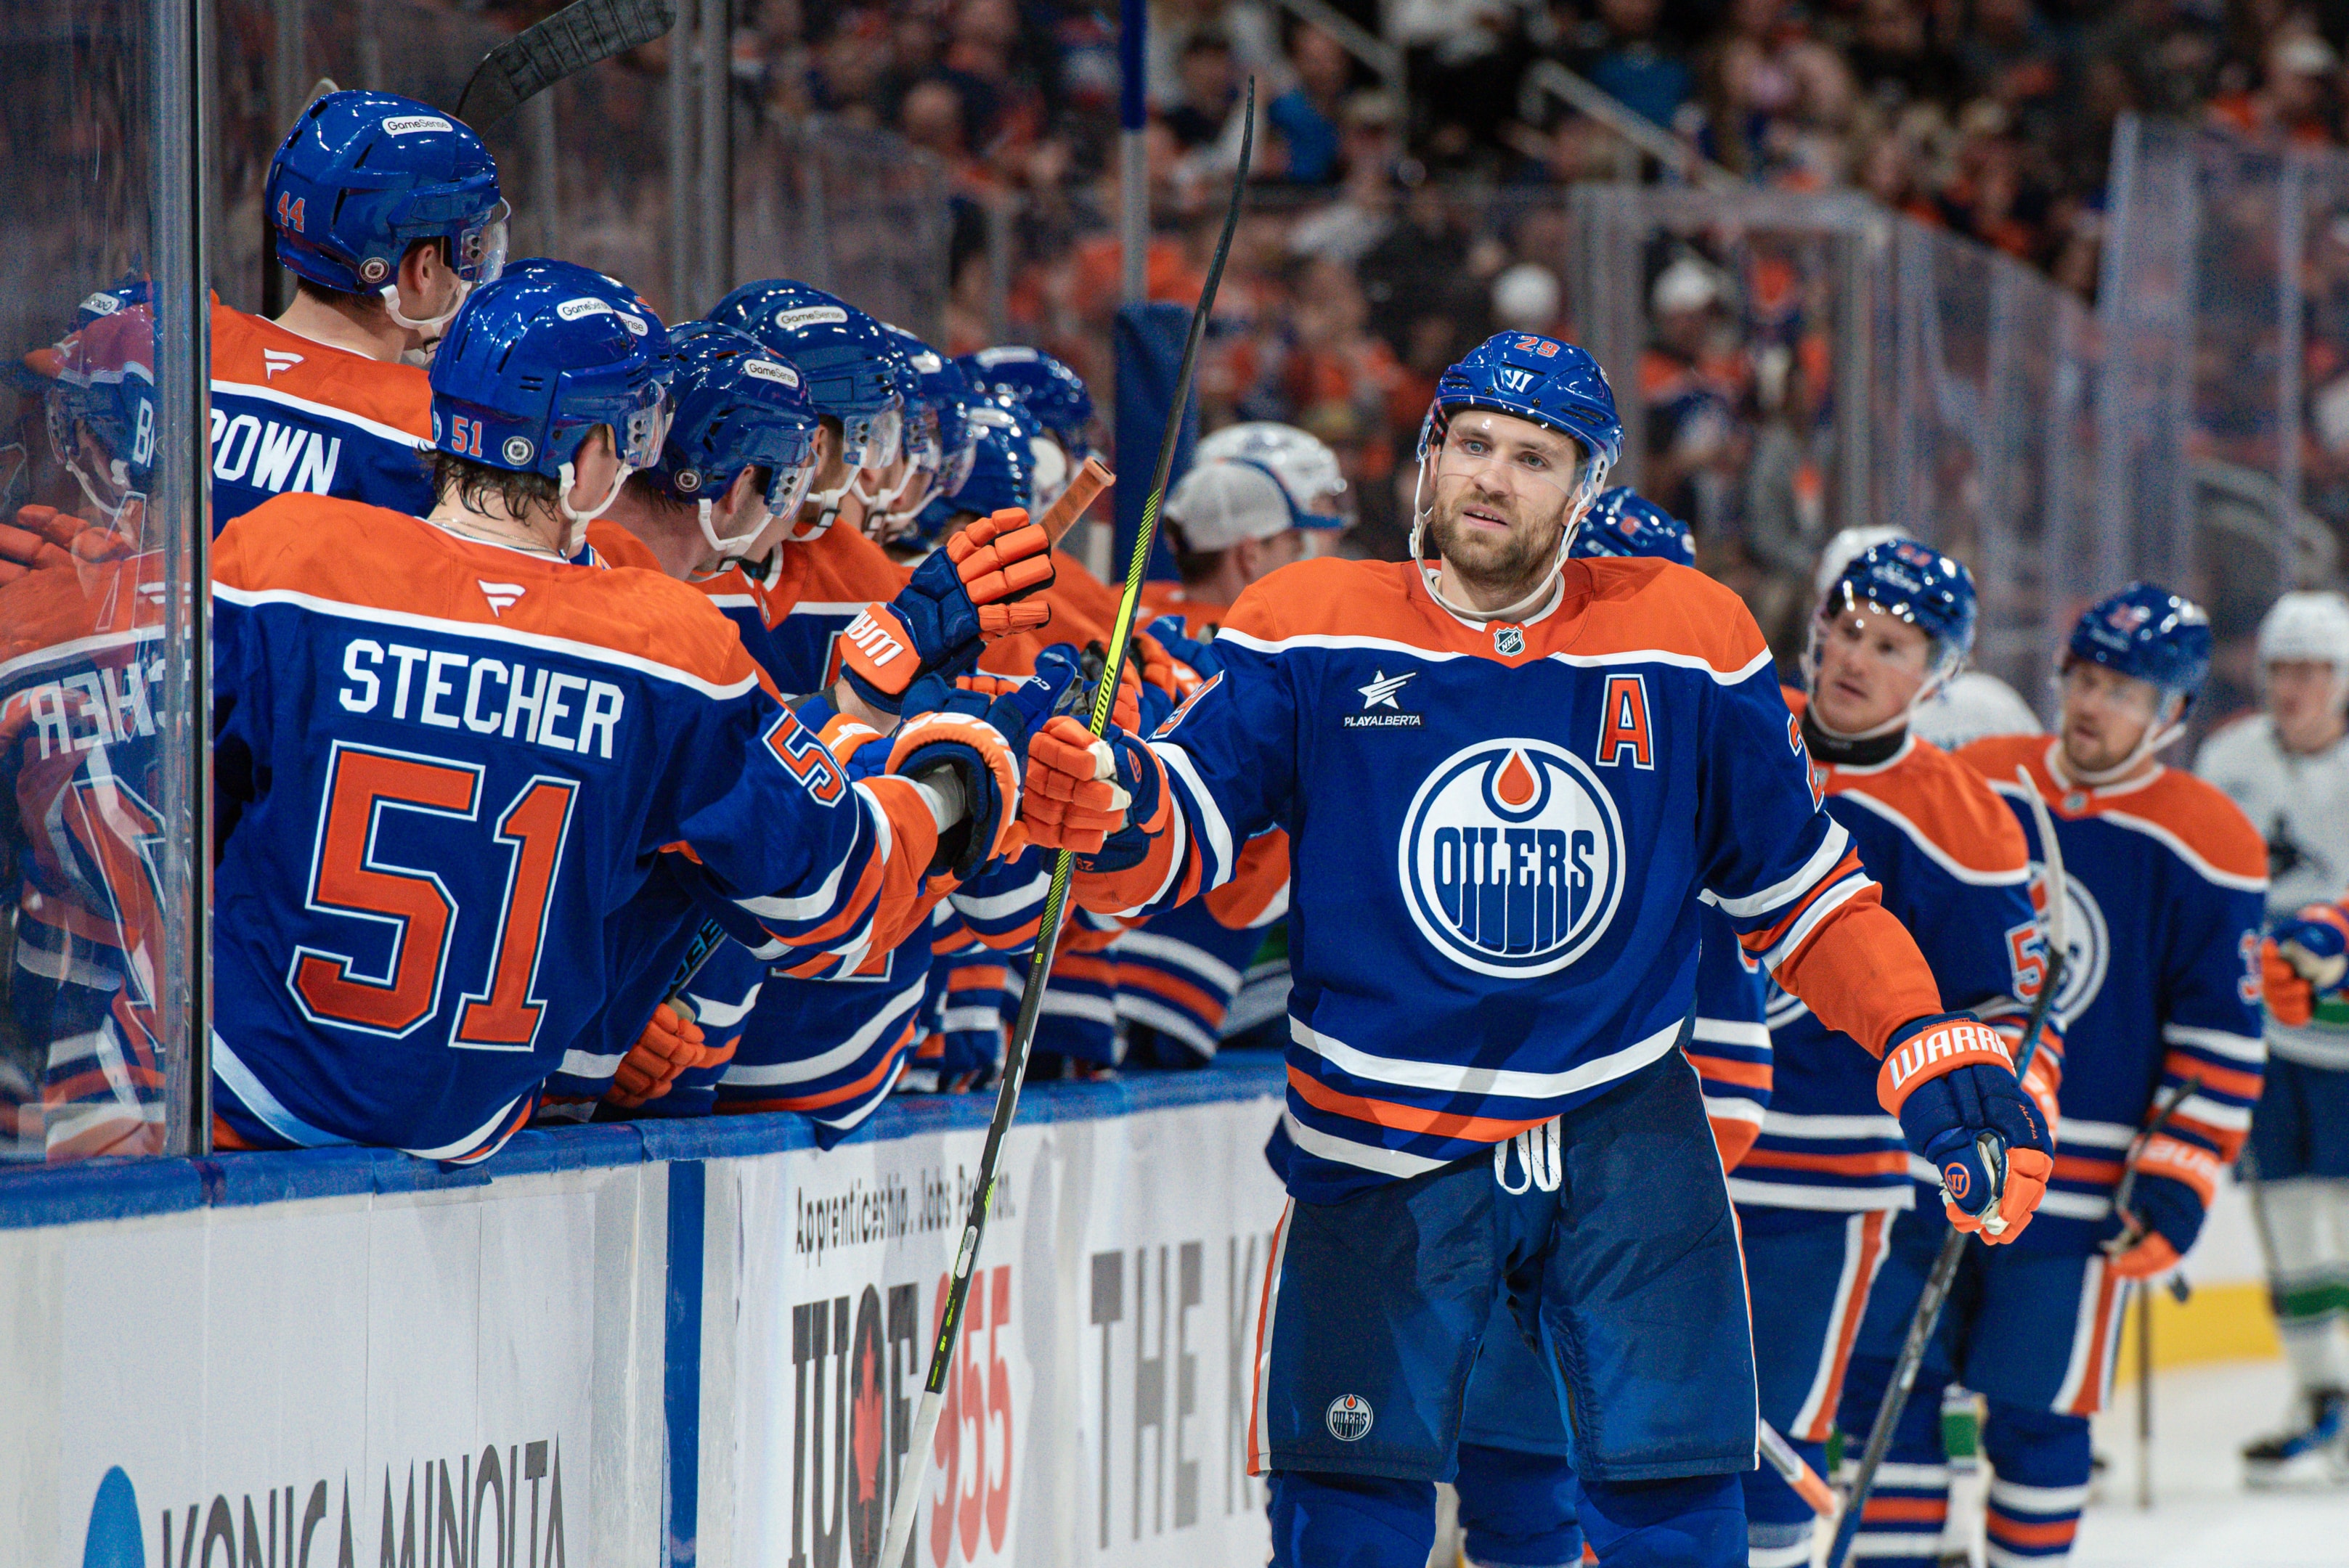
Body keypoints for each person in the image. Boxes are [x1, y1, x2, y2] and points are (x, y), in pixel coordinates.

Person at [1028, 331, 2053, 1566]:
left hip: (1622, 1129)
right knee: (1344, 1517)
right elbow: (1190, 829)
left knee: (1677, 1515)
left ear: (1587, 491)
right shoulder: (1307, 625)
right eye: (1470, 445)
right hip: (1378, 1138)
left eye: (1532, 457)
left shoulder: (1688, 639)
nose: (1491, 479)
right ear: (1427, 458)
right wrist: (1113, 804)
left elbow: (1808, 894)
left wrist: (1921, 1044)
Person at [207, 264, 1033, 1162]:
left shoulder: (281, 558)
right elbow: (832, 893)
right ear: (596, 452)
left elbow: (162, 819)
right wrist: (947, 793)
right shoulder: (664, 648)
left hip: (228, 1116)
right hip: (472, 1147)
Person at [1437, 486, 1772, 1568]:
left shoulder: (1695, 747)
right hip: (1476, 1156)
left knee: (1633, 1472)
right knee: (1509, 1460)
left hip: (1624, 1159)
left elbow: (1727, 1030)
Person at [1727, 538, 2047, 1568]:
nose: (1855, 660)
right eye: (1847, 631)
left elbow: (2005, 1010)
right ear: (1814, 628)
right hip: (1672, 1147)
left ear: (1939, 673)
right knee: (1631, 1438)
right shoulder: (1736, 729)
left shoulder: (1965, 823)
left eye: (1894, 648)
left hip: (1823, 1183)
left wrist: (1999, 1119)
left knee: (1771, 1450)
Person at [1930, 586, 2264, 1562]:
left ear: (2170, 715)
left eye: (2120, 689)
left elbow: (2217, 1037)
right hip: (1943, 1150)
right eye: (2080, 677)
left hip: (2079, 1190)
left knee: (2038, 1419)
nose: (2088, 703)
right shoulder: (1977, 782)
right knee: (1902, 1409)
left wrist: (2172, 1179)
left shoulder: (2208, 840)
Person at [2199, 588, 2349, 1482]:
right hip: (2269, 1044)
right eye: (2281, 669)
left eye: (2313, 669)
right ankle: (2321, 1397)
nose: (2294, 686)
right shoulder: (2229, 759)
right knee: (2289, 1224)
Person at [211, 89, 508, 530]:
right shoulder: (437, 431)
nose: (473, 267)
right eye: (473, 246)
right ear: (422, 270)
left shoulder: (178, 348)